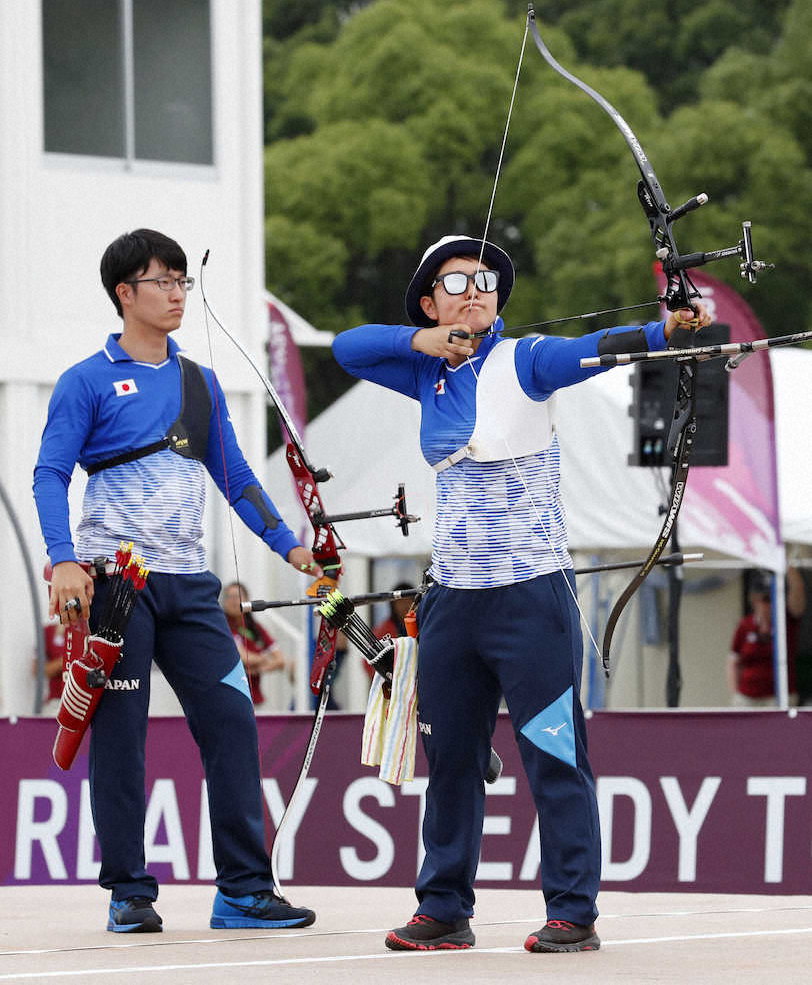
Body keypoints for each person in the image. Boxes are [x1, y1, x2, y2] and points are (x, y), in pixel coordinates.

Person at [332, 233, 711, 954]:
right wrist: (430, 342)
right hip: (452, 600)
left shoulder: (525, 359)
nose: (475, 289)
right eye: (455, 281)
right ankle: (443, 908)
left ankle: (574, 909)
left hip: (530, 595)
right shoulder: (424, 373)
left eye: (485, 280)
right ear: (427, 301)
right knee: (450, 759)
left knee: (552, 751)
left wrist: (666, 329)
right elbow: (348, 347)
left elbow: (596, 347)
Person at [33, 229, 319, 935]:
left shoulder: (199, 381)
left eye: (183, 281)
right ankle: (130, 891)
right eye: (162, 281)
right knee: (121, 737)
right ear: (125, 292)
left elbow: (235, 475)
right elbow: (49, 475)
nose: (177, 294)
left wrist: (289, 544)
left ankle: (245, 892)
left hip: (191, 586)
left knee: (231, 722)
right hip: (117, 584)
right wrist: (63, 558)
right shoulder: (86, 379)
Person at [728, 568, 806, 706]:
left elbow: (798, 597)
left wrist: (788, 567)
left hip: (779, 696)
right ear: (754, 600)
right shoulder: (745, 625)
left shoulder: (787, 621)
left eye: (772, 599)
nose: (768, 605)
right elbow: (733, 661)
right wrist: (735, 694)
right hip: (748, 696)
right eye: (764, 600)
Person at [222, 581, 290, 708]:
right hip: (228, 697)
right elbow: (241, 657)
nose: (232, 601)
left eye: (237, 597)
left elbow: (280, 661)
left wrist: (258, 668)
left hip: (254, 699)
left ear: (247, 600)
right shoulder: (222, 626)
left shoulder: (256, 628)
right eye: (228, 597)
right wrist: (264, 659)